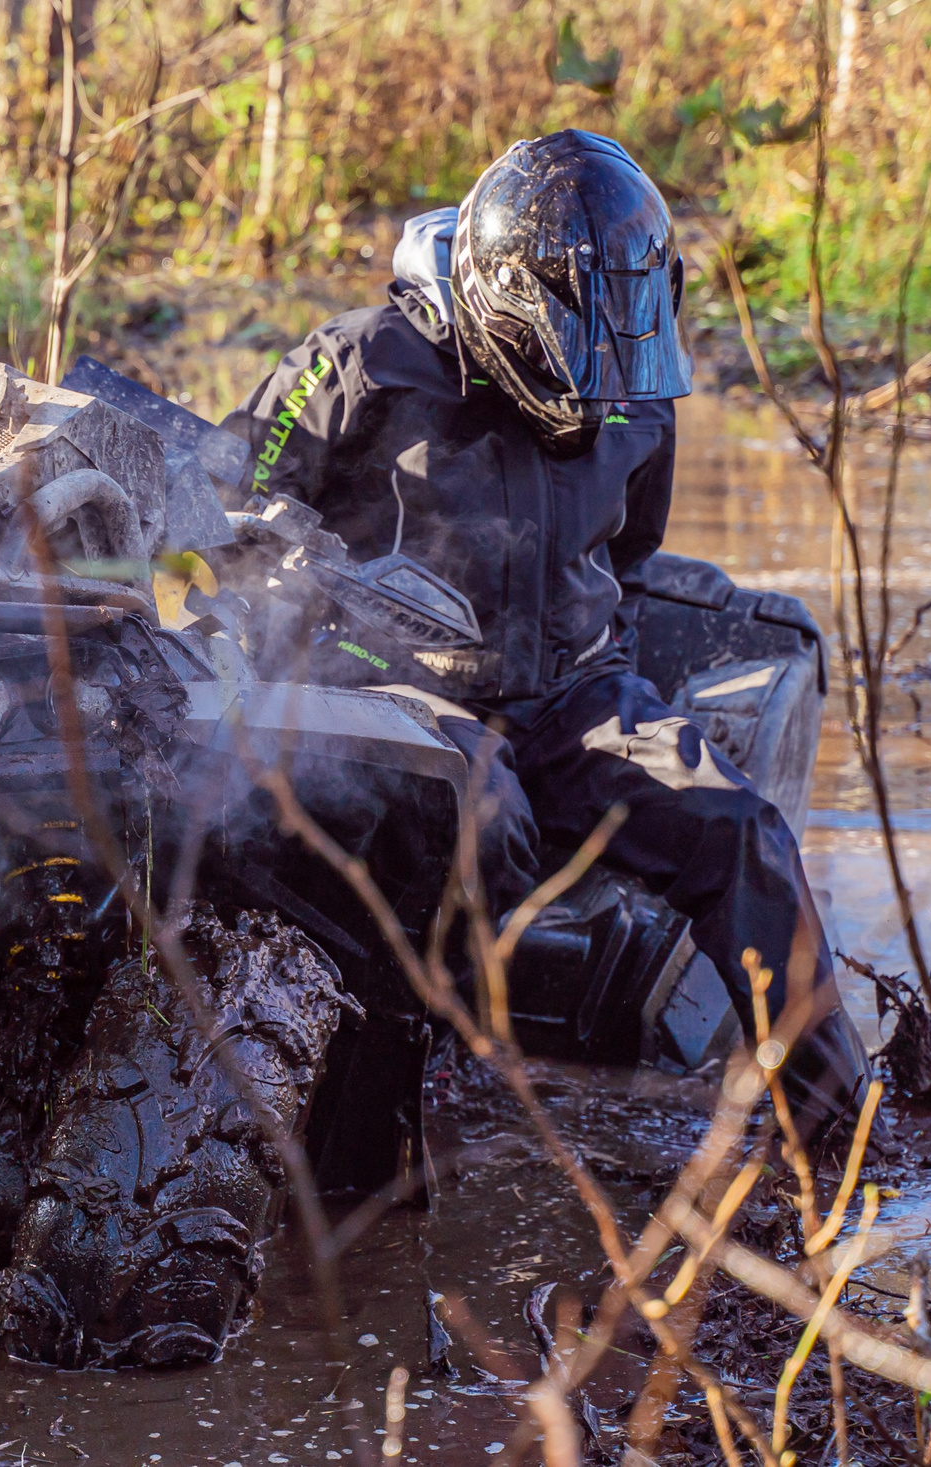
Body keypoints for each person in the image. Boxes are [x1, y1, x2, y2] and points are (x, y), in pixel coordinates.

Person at [224, 129, 872, 1134]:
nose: (599, 375)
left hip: (574, 690)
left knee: (739, 833)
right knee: (482, 818)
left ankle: (843, 1131)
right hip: (395, 686)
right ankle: (415, 1086)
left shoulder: (636, 386)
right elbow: (229, 493)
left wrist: (597, 674)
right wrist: (280, 582)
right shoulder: (361, 360)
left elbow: (629, 557)